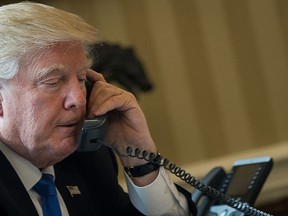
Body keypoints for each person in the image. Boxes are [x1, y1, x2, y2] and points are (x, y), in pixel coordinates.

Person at [0, 2, 196, 216]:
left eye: (82, 78)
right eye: (53, 81)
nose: (78, 99)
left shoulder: (88, 159)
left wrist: (139, 159)